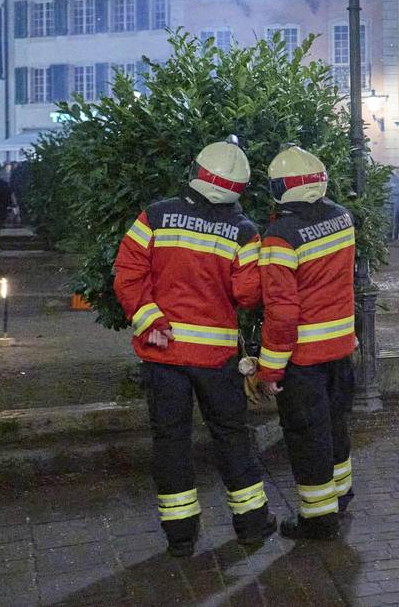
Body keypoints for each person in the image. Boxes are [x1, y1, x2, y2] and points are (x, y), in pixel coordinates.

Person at [112, 141, 274, 558]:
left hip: (163, 356)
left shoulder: (156, 215)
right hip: (217, 359)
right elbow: (246, 295)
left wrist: (151, 319)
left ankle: (181, 537)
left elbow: (127, 273)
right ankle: (253, 525)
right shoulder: (244, 231)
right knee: (232, 437)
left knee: (170, 442)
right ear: (240, 186)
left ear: (198, 172)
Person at [257, 146, 357, 541]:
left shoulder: (281, 236)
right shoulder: (342, 217)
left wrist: (270, 370)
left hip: (303, 359)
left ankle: (318, 519)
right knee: (335, 426)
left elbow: (282, 313)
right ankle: (341, 495)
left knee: (307, 438)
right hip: (339, 348)